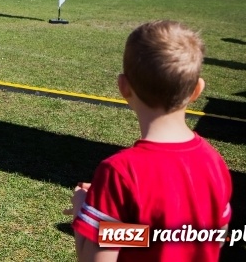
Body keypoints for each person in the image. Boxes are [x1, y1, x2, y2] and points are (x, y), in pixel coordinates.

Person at [64, 20, 232, 261]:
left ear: (123, 87)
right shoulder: (215, 162)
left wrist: (84, 211)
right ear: (197, 90)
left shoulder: (120, 173)